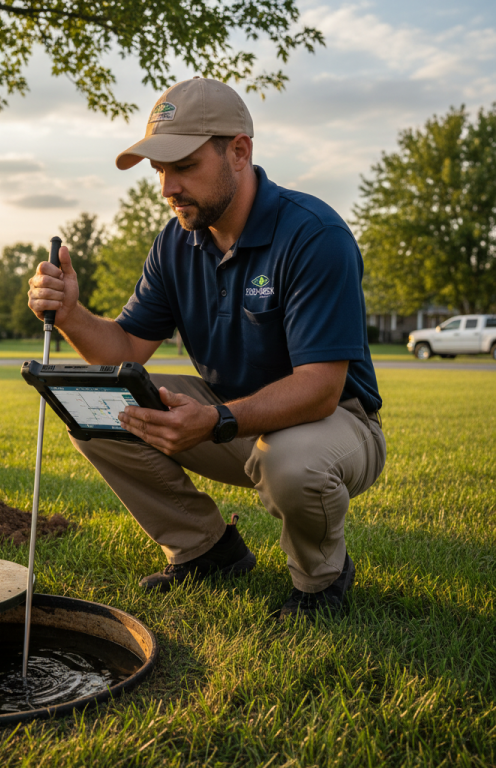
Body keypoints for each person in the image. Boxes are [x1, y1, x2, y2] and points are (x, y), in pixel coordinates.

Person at [28, 77, 386, 620]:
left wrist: (215, 420)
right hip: (227, 416)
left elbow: (320, 390)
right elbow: (124, 348)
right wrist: (73, 313)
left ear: (238, 151)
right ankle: (205, 549)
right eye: (159, 170)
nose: (168, 186)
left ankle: (321, 579)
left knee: (289, 460)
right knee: (99, 410)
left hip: (337, 423)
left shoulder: (314, 235)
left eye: (184, 165)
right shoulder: (176, 240)